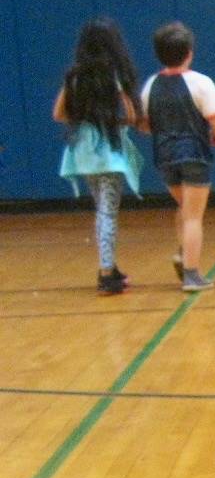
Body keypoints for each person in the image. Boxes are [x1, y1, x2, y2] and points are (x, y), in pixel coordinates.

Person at [53, 18, 143, 296]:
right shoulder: (112, 76)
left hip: (83, 152)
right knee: (108, 212)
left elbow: (58, 114)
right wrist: (113, 123)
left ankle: (110, 266)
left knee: (101, 209)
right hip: (108, 154)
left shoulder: (75, 76)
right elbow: (130, 115)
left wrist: (85, 120)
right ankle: (106, 273)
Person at [140, 22, 215, 292]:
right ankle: (192, 274)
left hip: (164, 156)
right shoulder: (201, 83)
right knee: (193, 217)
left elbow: (144, 125)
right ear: (189, 51)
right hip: (194, 155)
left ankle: (182, 254)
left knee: (184, 208)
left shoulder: (151, 84)